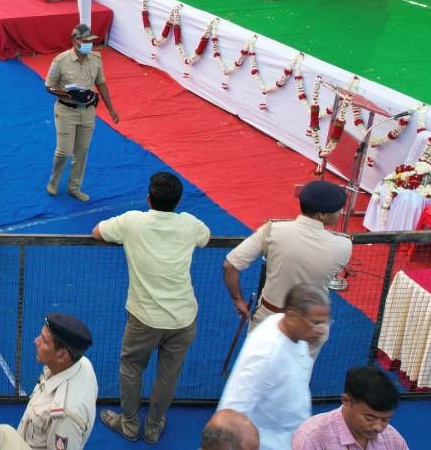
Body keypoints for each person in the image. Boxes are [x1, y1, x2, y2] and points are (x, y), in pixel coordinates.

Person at [93, 172, 210, 444]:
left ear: (148, 198)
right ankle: (154, 426)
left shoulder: (132, 221)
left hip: (144, 319)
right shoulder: (189, 224)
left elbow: (96, 232)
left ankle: (130, 424)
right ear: (178, 201)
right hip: (183, 318)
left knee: (132, 367)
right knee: (168, 375)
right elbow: (205, 237)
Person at [222, 180, 351, 357]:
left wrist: (238, 299)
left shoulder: (272, 230)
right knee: (298, 374)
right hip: (310, 327)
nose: (341, 212)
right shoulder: (344, 245)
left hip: (268, 319)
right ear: (321, 215)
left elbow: (230, 265)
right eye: (338, 209)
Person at [217, 285, 329, 450]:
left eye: (325, 322)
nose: (322, 330)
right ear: (291, 316)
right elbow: (230, 414)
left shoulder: (289, 329)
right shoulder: (266, 356)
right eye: (316, 323)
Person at [44, 24, 119, 202]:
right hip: (66, 111)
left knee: (82, 150)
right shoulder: (60, 61)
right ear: (76, 41)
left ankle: (74, 187)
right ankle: (54, 182)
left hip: (88, 111)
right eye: (85, 41)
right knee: (63, 151)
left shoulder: (96, 59)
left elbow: (101, 83)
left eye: (91, 41)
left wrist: (111, 109)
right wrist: (69, 94)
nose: (89, 44)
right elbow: (49, 86)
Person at [16, 314, 97, 450]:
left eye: (44, 340)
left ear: (62, 356)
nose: (36, 341)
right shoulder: (83, 364)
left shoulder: (64, 415)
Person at [291, 366, 408, 450]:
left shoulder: (392, 438)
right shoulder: (312, 437)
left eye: (385, 420)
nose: (378, 427)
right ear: (346, 401)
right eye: (369, 418)